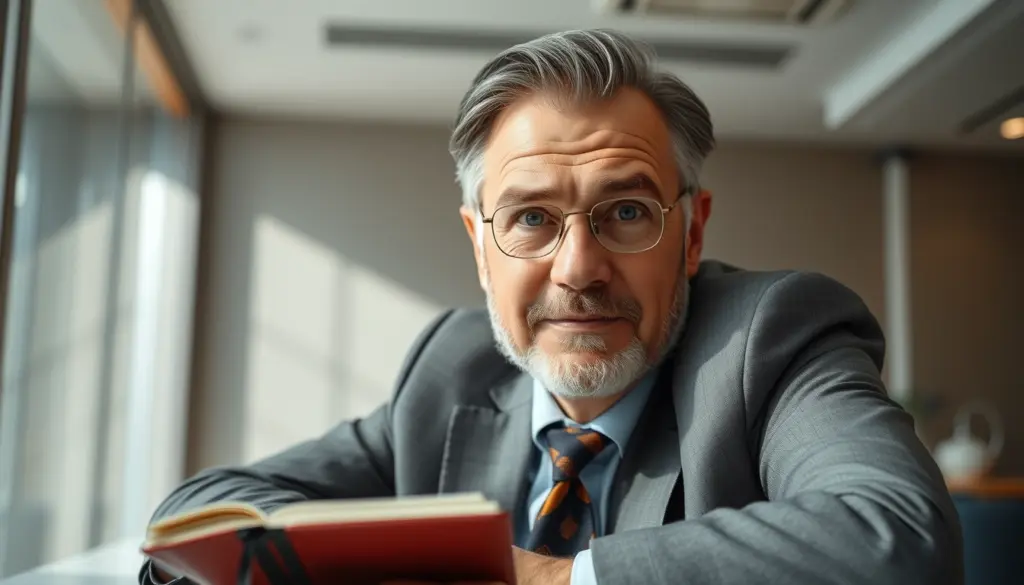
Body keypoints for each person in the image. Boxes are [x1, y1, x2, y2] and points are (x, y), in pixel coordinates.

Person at [141, 29, 962, 585]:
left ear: (691, 231)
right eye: (531, 218)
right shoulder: (448, 371)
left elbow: (900, 537)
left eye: (628, 212)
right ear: (478, 243)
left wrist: (556, 577)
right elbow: (199, 514)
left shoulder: (772, 338)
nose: (579, 269)